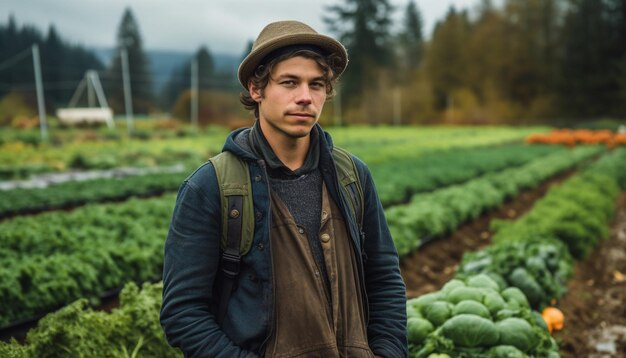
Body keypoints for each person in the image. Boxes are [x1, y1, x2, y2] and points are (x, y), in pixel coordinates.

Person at [160, 20, 407, 358]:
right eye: (290, 82)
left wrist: (388, 351)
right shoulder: (212, 187)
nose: (305, 97)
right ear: (256, 89)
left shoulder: (352, 175)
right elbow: (183, 314)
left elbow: (385, 279)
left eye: (316, 84)